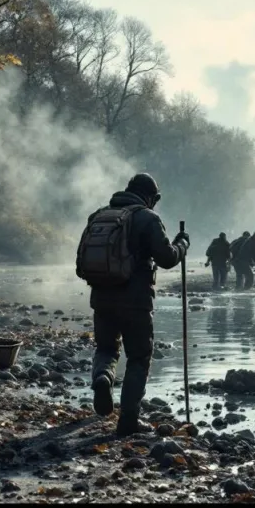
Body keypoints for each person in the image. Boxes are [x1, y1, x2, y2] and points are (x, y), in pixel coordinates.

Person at [82, 173, 189, 437]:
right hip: (136, 302)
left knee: (106, 348)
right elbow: (166, 258)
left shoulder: (98, 215)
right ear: (151, 197)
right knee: (139, 358)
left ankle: (103, 378)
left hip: (101, 297)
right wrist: (182, 244)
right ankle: (128, 421)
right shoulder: (147, 218)